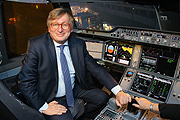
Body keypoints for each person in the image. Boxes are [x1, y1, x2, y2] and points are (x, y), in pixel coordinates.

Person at [18, 8, 131, 120]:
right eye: (55, 25)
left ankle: (85, 115)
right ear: (49, 28)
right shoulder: (37, 46)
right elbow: (25, 82)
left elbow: (96, 69)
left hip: (73, 88)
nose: (60, 29)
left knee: (102, 97)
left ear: (71, 28)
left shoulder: (78, 44)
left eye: (65, 25)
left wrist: (118, 91)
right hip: (51, 94)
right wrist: (44, 107)